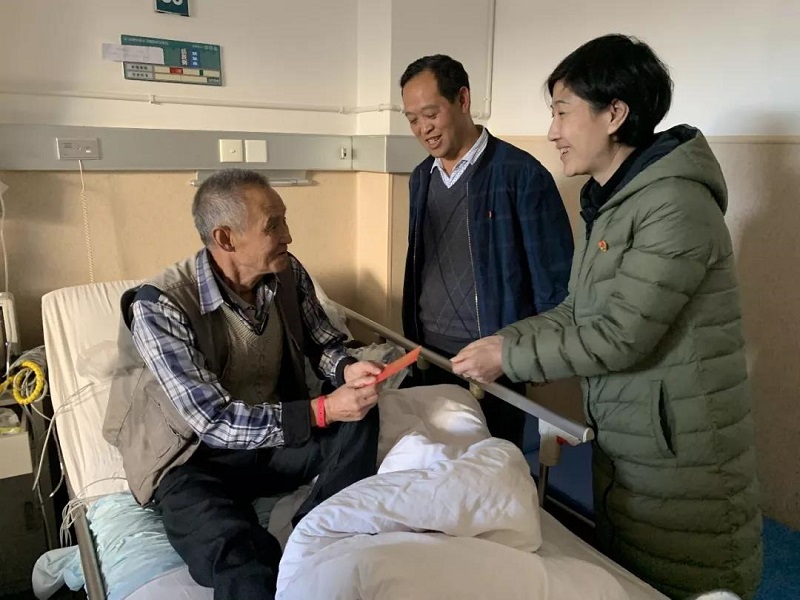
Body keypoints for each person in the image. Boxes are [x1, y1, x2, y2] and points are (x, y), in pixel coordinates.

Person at [451, 34, 762, 599]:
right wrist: (500, 340)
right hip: (630, 434)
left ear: (614, 114)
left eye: (562, 112)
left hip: (679, 447)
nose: (552, 131)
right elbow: (577, 310)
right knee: (629, 577)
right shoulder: (613, 202)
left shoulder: (675, 204)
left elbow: (620, 336)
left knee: (687, 579)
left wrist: (508, 356)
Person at [103, 169, 383, 600]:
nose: (288, 235)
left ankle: (316, 529)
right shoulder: (160, 305)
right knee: (242, 558)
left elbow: (321, 342)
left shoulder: (287, 273)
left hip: (268, 444)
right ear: (226, 238)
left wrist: (346, 370)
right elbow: (212, 421)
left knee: (362, 413)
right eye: (273, 225)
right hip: (191, 461)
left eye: (285, 220)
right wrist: (322, 410)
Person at [399, 54, 574, 448]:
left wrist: (531, 357)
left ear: (462, 100)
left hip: (492, 361)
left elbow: (555, 285)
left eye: (431, 114)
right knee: (434, 463)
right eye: (412, 119)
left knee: (492, 466)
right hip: (429, 354)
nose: (423, 128)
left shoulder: (521, 175)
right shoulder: (421, 178)